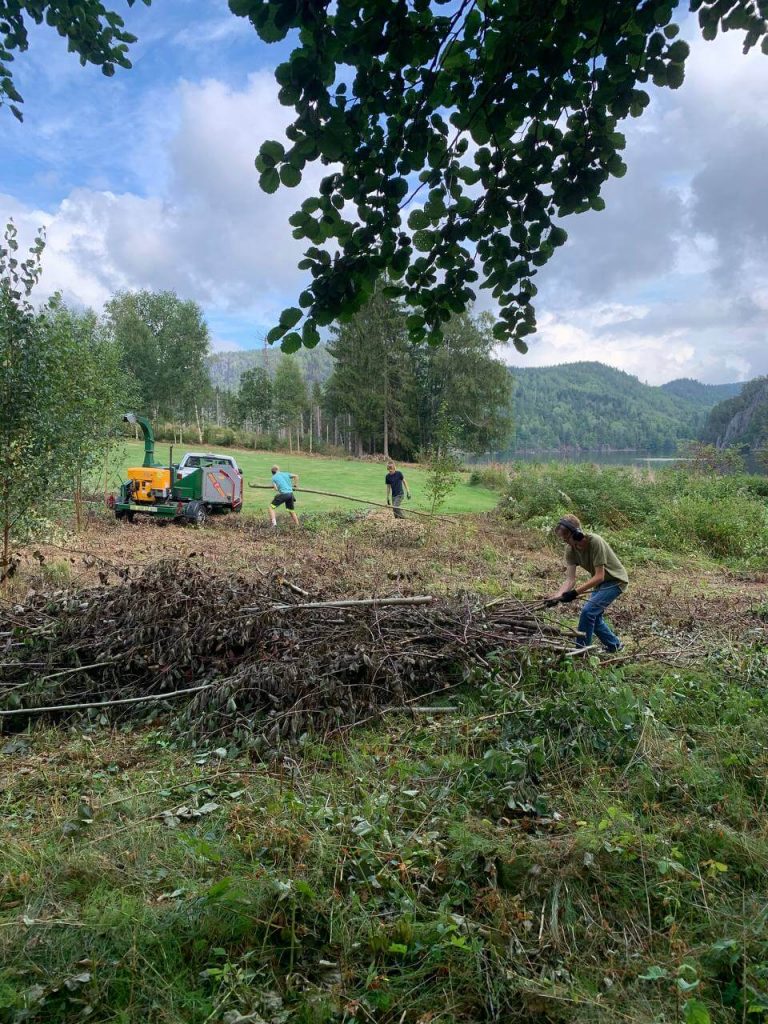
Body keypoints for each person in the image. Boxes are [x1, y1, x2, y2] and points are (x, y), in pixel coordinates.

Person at [547, 514, 628, 652]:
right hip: (601, 584)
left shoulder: (595, 541)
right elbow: (570, 579)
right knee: (594, 617)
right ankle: (615, 645)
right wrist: (558, 596)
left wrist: (574, 593)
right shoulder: (570, 550)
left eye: (566, 538)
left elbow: (599, 576)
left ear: (577, 533)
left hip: (615, 581)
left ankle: (581, 651)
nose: (565, 541)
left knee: (588, 612)